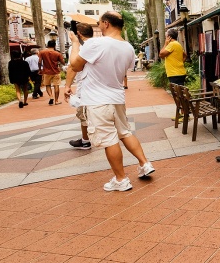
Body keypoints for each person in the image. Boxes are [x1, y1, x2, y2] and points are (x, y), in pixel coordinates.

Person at [69, 11, 155, 191]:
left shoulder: (95, 43)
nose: (98, 25)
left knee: (109, 140)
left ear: (106, 23)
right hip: (117, 96)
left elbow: (75, 65)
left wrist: (76, 44)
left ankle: (121, 179)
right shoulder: (128, 47)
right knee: (125, 132)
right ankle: (144, 163)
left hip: (97, 100)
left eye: (99, 22)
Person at [65, 22, 94, 149]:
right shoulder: (99, 44)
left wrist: (67, 86)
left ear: (78, 34)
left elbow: (72, 67)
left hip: (85, 86)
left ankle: (85, 140)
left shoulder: (76, 48)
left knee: (83, 114)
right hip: (101, 86)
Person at [38, 40, 65, 105]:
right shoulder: (57, 53)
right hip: (56, 71)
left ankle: (51, 96)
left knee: (47, 85)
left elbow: (39, 62)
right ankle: (56, 101)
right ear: (55, 45)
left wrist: (40, 69)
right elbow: (63, 62)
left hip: (46, 72)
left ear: (47, 45)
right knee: (56, 86)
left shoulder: (42, 52)